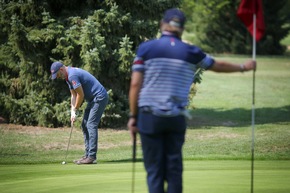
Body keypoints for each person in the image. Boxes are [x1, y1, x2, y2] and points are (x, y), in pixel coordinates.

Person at [127, 8, 256, 193]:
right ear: (181, 28)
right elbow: (217, 66)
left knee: (154, 172)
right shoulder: (191, 52)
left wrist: (133, 116)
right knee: (174, 171)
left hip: (150, 117)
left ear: (163, 24)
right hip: (176, 118)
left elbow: (135, 85)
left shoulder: (146, 49)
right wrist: (244, 67)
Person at [51, 61, 108, 164]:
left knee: (91, 124)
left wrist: (76, 109)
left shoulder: (72, 75)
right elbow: (73, 95)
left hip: (100, 97)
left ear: (61, 70)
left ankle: (92, 157)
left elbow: (80, 95)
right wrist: (72, 111)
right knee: (84, 124)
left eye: (58, 75)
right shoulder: (67, 78)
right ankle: (87, 155)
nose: (58, 77)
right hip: (93, 99)